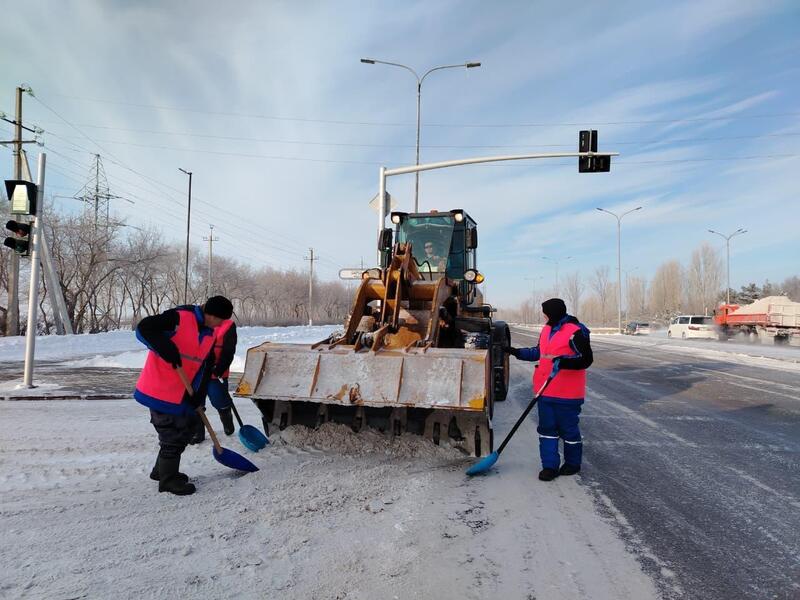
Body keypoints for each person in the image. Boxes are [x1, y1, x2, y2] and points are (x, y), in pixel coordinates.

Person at [134, 296, 234, 496]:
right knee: (172, 433)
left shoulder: (209, 333)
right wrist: (165, 346)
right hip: (161, 389)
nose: (222, 325)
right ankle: (168, 480)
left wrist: (200, 394)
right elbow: (144, 328)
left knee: (187, 430)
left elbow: (206, 365)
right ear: (210, 314)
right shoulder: (179, 317)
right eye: (220, 320)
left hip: (183, 392)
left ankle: (161, 470)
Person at [504, 298, 593, 482]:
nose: (544, 316)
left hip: (567, 394)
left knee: (569, 431)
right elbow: (539, 352)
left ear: (553, 313)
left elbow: (586, 359)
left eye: (545, 312)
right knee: (546, 430)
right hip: (545, 391)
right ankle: (550, 466)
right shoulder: (546, 330)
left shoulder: (575, 331)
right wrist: (516, 352)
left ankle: (572, 463)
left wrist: (564, 362)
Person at [207, 318, 238, 436]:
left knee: (219, 398)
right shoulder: (196, 320)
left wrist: (219, 369)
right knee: (196, 404)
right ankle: (197, 432)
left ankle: (227, 420)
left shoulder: (228, 325)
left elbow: (229, 350)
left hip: (216, 371)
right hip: (196, 371)